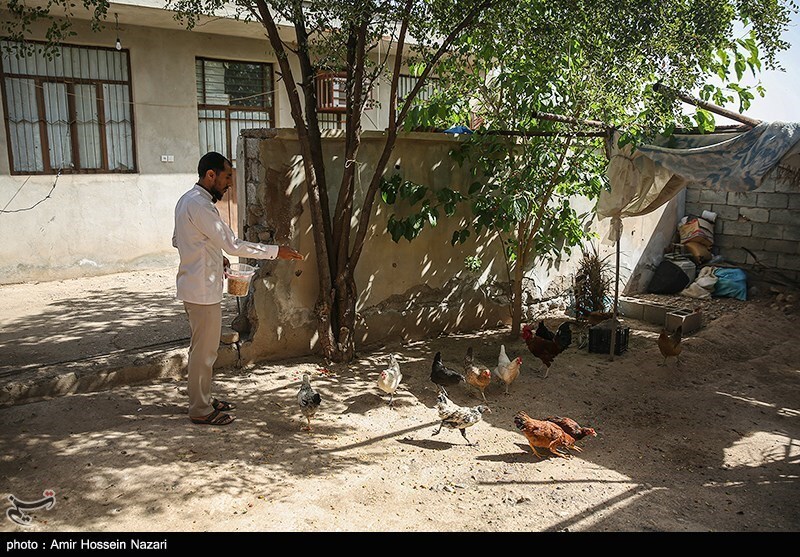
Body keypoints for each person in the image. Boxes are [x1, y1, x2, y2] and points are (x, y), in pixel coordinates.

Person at [172, 151, 303, 426]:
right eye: (227, 176)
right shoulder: (201, 206)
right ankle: (200, 409)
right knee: (204, 352)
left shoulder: (186, 200)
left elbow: (180, 239)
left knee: (201, 349)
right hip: (201, 291)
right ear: (211, 175)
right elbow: (233, 245)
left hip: (194, 286)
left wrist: (213, 255)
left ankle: (202, 398)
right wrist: (276, 251)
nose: (230, 183)